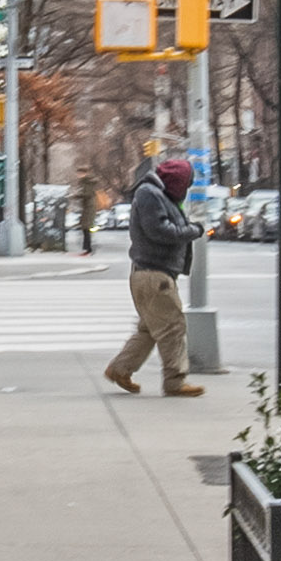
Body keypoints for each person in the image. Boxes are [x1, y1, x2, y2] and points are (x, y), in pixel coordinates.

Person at [104, 144, 198, 396]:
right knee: (173, 327)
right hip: (154, 275)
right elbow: (161, 231)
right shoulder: (151, 195)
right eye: (186, 185)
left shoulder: (157, 194)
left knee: (149, 329)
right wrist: (193, 231)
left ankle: (120, 369)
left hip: (151, 273)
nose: (186, 192)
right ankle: (175, 381)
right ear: (177, 182)